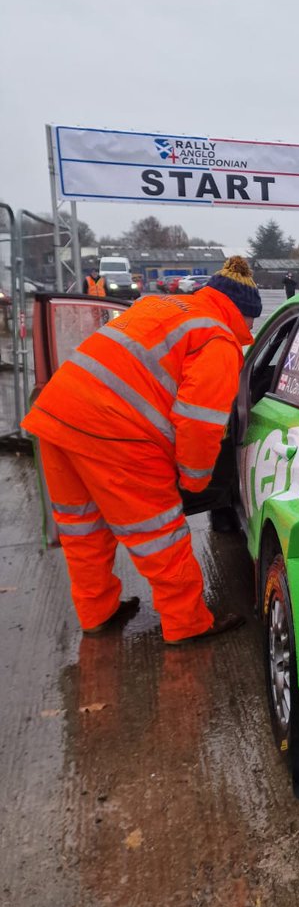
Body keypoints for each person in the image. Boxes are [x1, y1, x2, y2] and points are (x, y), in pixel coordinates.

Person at [21, 255, 262, 645]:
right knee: (160, 536)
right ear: (241, 312)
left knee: (83, 528)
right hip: (118, 434)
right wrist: (195, 479)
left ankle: (97, 613)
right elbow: (199, 424)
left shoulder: (158, 306)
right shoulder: (217, 338)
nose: (250, 330)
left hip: (56, 416)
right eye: (251, 320)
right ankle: (188, 624)